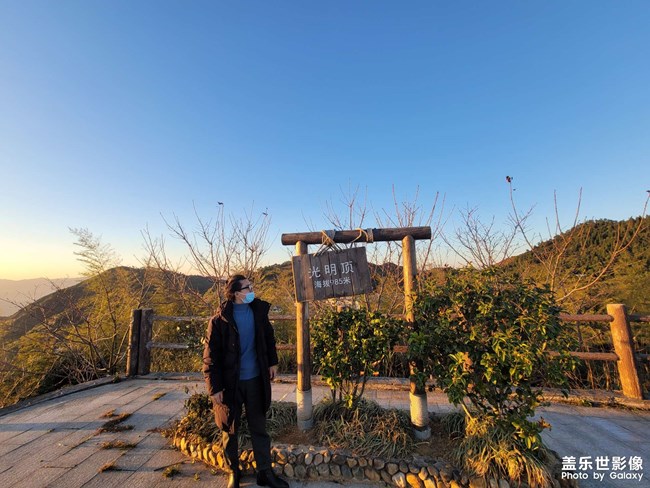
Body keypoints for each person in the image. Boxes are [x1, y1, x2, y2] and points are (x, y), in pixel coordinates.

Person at [203, 274, 290, 488]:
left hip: (255, 380)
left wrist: (272, 362)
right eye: (247, 287)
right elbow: (210, 356)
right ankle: (233, 471)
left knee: (259, 428)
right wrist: (214, 387)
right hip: (229, 384)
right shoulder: (219, 320)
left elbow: (268, 338)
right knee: (229, 429)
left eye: (251, 286)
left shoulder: (258, 312)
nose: (252, 290)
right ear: (236, 293)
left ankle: (265, 472)